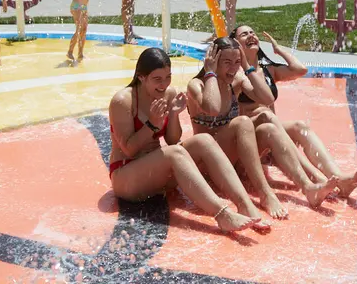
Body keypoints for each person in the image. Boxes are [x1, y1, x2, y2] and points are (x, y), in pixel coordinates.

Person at [109, 48, 264, 232]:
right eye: (157, 79)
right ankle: (222, 215)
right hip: (127, 178)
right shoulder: (123, 100)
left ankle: (245, 205)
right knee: (174, 153)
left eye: (168, 77)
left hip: (157, 176)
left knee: (203, 140)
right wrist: (151, 124)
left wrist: (173, 115)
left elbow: (173, 140)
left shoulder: (168, 93)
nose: (164, 84)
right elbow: (129, 149)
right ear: (141, 77)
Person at [188, 38, 338, 214]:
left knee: (268, 127)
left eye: (236, 62)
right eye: (227, 63)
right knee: (242, 122)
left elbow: (267, 99)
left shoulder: (236, 80)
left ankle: (308, 187)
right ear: (213, 61)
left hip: (232, 160)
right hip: (208, 164)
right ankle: (265, 194)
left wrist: (247, 67)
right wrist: (210, 73)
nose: (233, 68)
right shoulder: (196, 85)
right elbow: (212, 108)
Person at [231, 25, 357, 198]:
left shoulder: (268, 69)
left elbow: (300, 70)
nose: (250, 35)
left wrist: (279, 51)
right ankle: (318, 180)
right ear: (236, 43)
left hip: (273, 135)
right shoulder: (237, 74)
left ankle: (339, 178)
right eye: (244, 34)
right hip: (250, 143)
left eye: (253, 32)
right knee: (267, 116)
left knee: (299, 126)